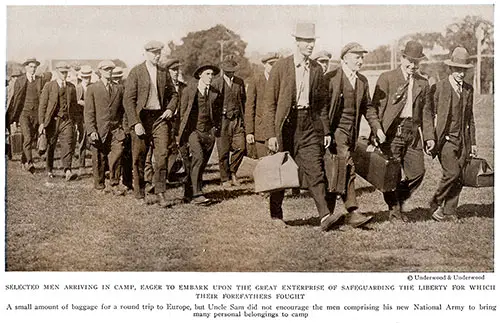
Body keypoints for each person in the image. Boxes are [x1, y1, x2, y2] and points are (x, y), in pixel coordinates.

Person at [263, 22, 341, 231]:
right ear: (297, 42)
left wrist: (325, 129)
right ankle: (276, 215)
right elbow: (269, 103)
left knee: (315, 169)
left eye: (312, 41)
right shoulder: (281, 67)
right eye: (306, 41)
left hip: (309, 125)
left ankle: (325, 216)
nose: (310, 45)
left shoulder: (316, 69)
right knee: (281, 170)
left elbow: (322, 104)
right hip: (286, 125)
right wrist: (271, 134)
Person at [372, 40, 435, 221]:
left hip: (413, 134)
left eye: (417, 62)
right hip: (391, 133)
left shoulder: (423, 83)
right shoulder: (387, 78)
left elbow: (427, 112)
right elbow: (375, 108)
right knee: (392, 174)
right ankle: (394, 211)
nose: (413, 66)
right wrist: (377, 130)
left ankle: (397, 200)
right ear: (402, 58)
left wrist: (429, 137)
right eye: (410, 61)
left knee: (418, 172)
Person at [324, 42, 386, 228]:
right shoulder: (331, 78)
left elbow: (368, 107)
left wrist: (378, 128)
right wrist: (325, 132)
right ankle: (352, 211)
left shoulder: (362, 81)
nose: (361, 61)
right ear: (344, 58)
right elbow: (323, 109)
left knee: (336, 171)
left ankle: (327, 214)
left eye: (362, 57)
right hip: (335, 132)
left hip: (352, 134)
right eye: (357, 57)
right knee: (347, 167)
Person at [123, 40, 177, 207]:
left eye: (159, 52)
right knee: (139, 157)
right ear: (146, 53)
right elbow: (128, 100)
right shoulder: (136, 72)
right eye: (154, 53)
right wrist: (135, 122)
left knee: (162, 156)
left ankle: (160, 192)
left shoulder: (163, 72)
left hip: (160, 118)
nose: (157, 55)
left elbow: (174, 94)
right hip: (142, 118)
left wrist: (170, 108)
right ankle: (139, 193)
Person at [429, 47, 476, 221]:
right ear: (450, 69)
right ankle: (435, 203)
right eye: (457, 69)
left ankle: (448, 211)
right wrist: (431, 137)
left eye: (463, 70)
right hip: (445, 140)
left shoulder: (468, 90)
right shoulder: (439, 87)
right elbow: (429, 113)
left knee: (460, 176)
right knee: (452, 172)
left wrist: (474, 143)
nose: (461, 74)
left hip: (463, 140)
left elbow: (470, 118)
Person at [176, 64, 222, 204]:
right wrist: (179, 135)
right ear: (200, 75)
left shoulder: (215, 92)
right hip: (193, 131)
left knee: (199, 165)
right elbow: (182, 113)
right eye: (207, 74)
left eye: (212, 74)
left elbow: (218, 113)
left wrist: (215, 129)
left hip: (209, 133)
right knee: (198, 158)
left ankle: (188, 193)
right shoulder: (190, 90)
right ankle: (197, 194)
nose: (210, 77)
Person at [84, 61, 127, 195]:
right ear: (100, 71)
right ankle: (99, 186)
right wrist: (91, 130)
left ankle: (114, 183)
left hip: (115, 130)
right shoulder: (92, 88)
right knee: (99, 158)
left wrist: (124, 128)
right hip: (98, 130)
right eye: (106, 69)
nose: (109, 72)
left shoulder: (119, 88)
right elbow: (89, 112)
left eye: (111, 69)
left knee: (117, 154)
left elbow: (123, 111)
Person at [38, 61, 79, 181]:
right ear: (57, 72)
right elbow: (43, 105)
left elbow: (75, 106)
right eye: (62, 72)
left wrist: (76, 122)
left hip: (67, 120)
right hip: (52, 121)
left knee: (67, 143)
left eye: (66, 72)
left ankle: (67, 170)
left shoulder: (71, 87)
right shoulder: (49, 86)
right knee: (51, 144)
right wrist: (42, 123)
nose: (64, 75)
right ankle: (49, 169)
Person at [212, 55, 247, 188]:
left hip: (237, 120)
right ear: (224, 70)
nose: (231, 73)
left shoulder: (239, 82)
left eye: (233, 70)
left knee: (241, 147)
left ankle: (233, 171)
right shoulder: (216, 83)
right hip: (222, 121)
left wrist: (244, 120)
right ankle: (224, 178)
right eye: (228, 70)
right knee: (223, 151)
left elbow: (243, 100)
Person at [7, 58, 46, 172]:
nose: (33, 69)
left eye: (34, 67)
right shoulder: (20, 80)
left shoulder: (40, 80)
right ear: (26, 68)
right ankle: (30, 163)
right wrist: (13, 116)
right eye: (30, 67)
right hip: (23, 113)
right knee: (28, 137)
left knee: (30, 138)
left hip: (36, 114)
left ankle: (23, 160)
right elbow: (15, 98)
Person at [245, 52, 280, 159]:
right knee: (263, 162)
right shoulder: (256, 80)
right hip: (260, 131)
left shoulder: (281, 80)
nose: (273, 67)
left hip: (277, 130)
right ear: (264, 64)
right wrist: (249, 131)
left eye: (276, 64)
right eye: (271, 64)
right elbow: (250, 106)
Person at [74, 65, 92, 174]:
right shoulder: (78, 88)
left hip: (91, 118)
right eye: (85, 77)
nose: (87, 79)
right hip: (81, 118)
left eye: (88, 77)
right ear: (82, 78)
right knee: (82, 140)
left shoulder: (93, 87)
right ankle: (81, 164)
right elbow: (75, 102)